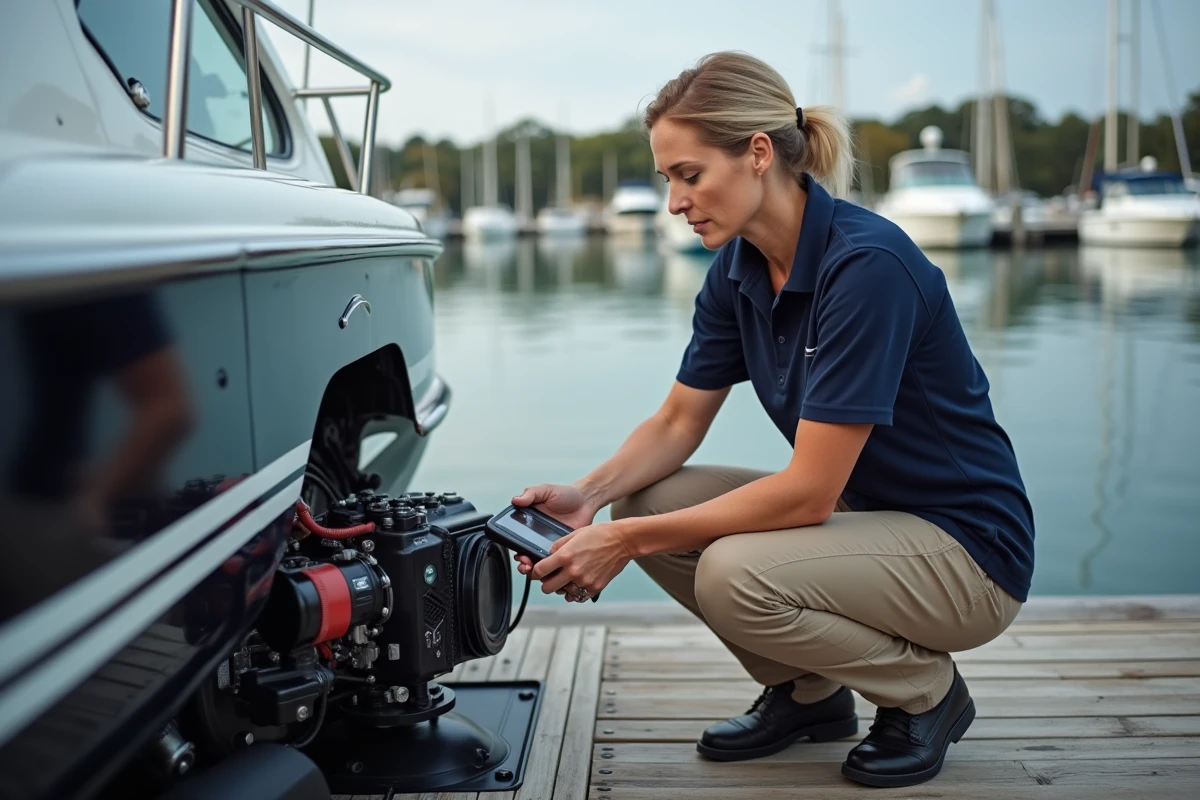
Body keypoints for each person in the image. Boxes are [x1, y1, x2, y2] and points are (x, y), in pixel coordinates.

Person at [512, 51, 1034, 789]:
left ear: (759, 154)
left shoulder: (867, 268)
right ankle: (811, 694)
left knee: (730, 572)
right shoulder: (738, 267)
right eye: (667, 180)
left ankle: (926, 694)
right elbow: (675, 423)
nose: (674, 202)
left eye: (688, 175)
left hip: (970, 554)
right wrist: (591, 499)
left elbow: (807, 495)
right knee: (648, 499)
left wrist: (620, 544)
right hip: (868, 522)